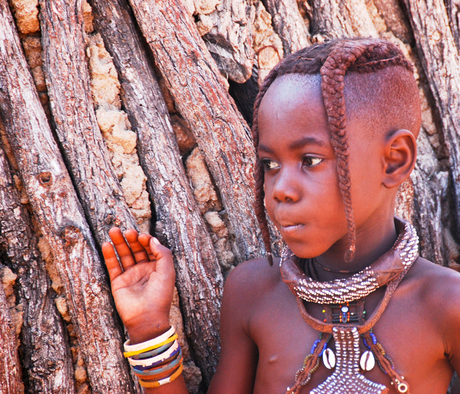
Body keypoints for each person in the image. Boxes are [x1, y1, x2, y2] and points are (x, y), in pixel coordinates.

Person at [102, 38, 460, 393]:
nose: (280, 189)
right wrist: (148, 329)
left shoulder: (445, 304)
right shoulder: (254, 292)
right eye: (270, 164)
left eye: (310, 160)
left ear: (394, 160)